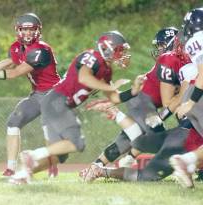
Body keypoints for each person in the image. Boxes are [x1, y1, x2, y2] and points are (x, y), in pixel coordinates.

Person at [9, 30, 144, 184]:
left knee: (59, 155)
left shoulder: (106, 70)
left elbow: (114, 98)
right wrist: (109, 87)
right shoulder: (92, 57)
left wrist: (134, 90)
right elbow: (84, 77)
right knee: (76, 144)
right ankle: (33, 155)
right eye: (119, 50)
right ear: (106, 48)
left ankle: (23, 174)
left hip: (55, 104)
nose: (121, 54)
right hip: (57, 101)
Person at [80, 28, 190, 181]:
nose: (159, 50)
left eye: (161, 45)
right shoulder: (170, 59)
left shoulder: (182, 61)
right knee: (158, 139)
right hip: (143, 103)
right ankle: (129, 153)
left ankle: (94, 167)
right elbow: (170, 102)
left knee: (126, 140)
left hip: (145, 103)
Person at [0, 13, 61, 178]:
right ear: (18, 30)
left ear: (38, 31)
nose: (28, 33)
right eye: (24, 29)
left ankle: (51, 165)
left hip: (54, 94)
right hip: (37, 94)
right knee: (13, 122)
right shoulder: (17, 47)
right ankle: (10, 168)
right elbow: (0, 64)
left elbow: (15, 73)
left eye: (32, 30)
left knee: (47, 127)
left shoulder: (41, 49)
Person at [169, 7, 203, 188]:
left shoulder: (195, 40)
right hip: (198, 94)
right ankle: (187, 162)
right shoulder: (199, 39)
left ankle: (188, 165)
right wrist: (191, 101)